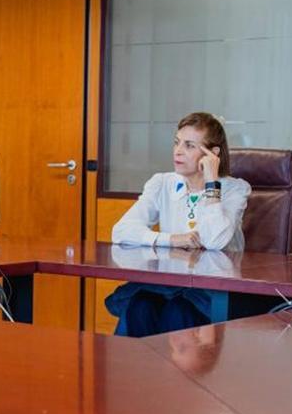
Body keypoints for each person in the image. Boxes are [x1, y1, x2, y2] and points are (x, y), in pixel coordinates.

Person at [105, 112, 250, 336]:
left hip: (212, 290)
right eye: (176, 142)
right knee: (140, 305)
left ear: (212, 154)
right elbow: (121, 231)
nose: (178, 151)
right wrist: (171, 240)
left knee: (178, 310)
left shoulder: (235, 189)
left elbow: (215, 241)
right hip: (167, 283)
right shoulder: (162, 183)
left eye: (190, 145)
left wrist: (211, 182)